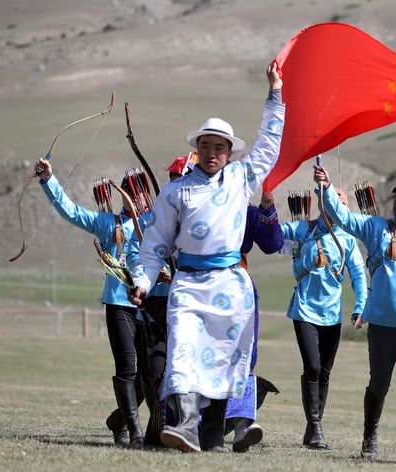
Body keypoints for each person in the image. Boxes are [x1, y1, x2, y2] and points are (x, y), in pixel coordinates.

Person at [128, 62, 284, 454]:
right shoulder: (176, 192)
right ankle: (183, 426)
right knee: (182, 352)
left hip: (230, 285)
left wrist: (275, 93)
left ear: (229, 152)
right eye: (205, 146)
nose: (212, 153)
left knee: (223, 361)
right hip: (188, 285)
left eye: (219, 147)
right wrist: (142, 280)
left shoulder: (240, 179)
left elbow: (269, 145)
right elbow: (155, 243)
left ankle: (212, 439)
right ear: (196, 150)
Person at [313, 166, 396, 465]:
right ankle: (369, 441)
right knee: (379, 385)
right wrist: (327, 187)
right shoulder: (376, 228)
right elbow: (344, 218)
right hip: (383, 324)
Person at [34, 158, 146, 448]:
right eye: (131, 194)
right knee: (128, 370)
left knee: (149, 374)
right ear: (123, 197)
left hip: (150, 306)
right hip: (120, 303)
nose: (136, 200)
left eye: (140, 193)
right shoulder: (108, 223)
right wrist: (49, 180)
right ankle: (133, 431)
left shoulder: (157, 225)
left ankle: (119, 420)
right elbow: (71, 212)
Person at [280, 187, 367, 450]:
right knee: (313, 368)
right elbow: (273, 235)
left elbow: (358, 275)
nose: (333, 206)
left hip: (332, 314)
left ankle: (312, 429)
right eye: (329, 201)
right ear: (321, 204)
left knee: (325, 372)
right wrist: (265, 212)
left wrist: (360, 305)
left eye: (339, 203)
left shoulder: (348, 240)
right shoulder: (302, 230)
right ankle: (316, 427)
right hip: (304, 310)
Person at [225, 190, 285, 453]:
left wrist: (266, 209)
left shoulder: (246, 211)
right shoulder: (192, 202)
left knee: (244, 357)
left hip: (239, 290)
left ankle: (242, 425)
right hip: (197, 286)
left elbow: (273, 244)